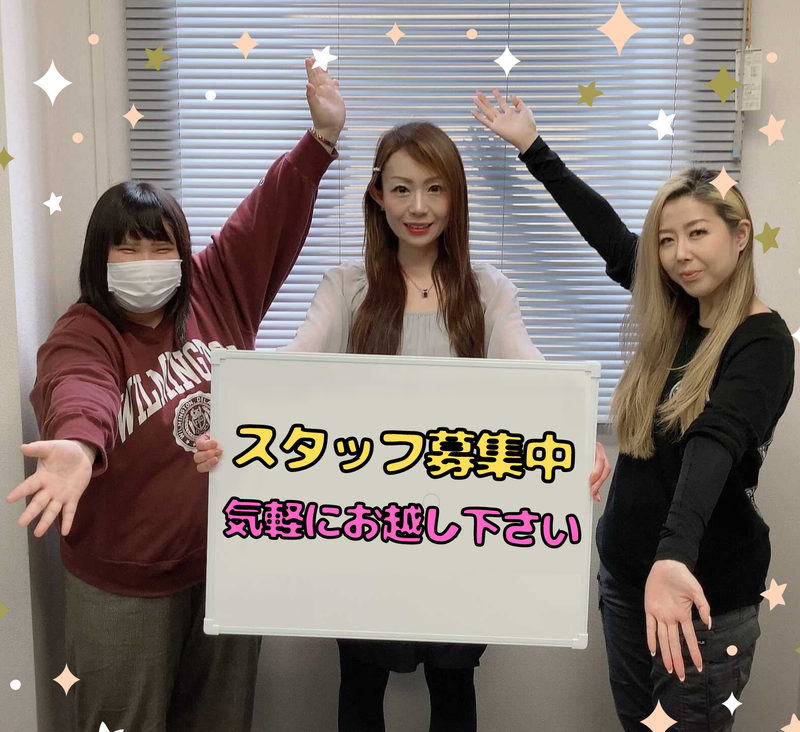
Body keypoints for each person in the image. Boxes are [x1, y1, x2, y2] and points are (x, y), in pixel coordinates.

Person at [196, 120, 612, 732]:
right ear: (377, 195)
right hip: (365, 528)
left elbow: (538, 381)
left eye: (435, 189)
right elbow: (287, 372)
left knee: (453, 682)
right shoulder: (347, 287)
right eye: (401, 189)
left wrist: (580, 438)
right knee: (361, 682)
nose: (418, 207)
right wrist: (231, 424)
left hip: (461, 531)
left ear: (455, 197)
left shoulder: (488, 291)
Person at [5, 59, 344, 732]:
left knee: (221, 720)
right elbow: (80, 388)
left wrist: (321, 139)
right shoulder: (84, 332)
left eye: (160, 248)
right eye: (126, 251)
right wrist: (77, 446)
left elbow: (266, 217)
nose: (145, 264)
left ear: (183, 255)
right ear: (99, 260)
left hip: (226, 562)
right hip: (122, 585)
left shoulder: (217, 289)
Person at [471, 88, 795, 730]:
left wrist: (673, 557)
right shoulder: (673, 312)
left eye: (697, 234)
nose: (679, 254)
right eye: (667, 240)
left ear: (740, 236)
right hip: (626, 580)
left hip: (699, 596)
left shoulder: (762, 342)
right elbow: (614, 242)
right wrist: (534, 149)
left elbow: (715, 440)